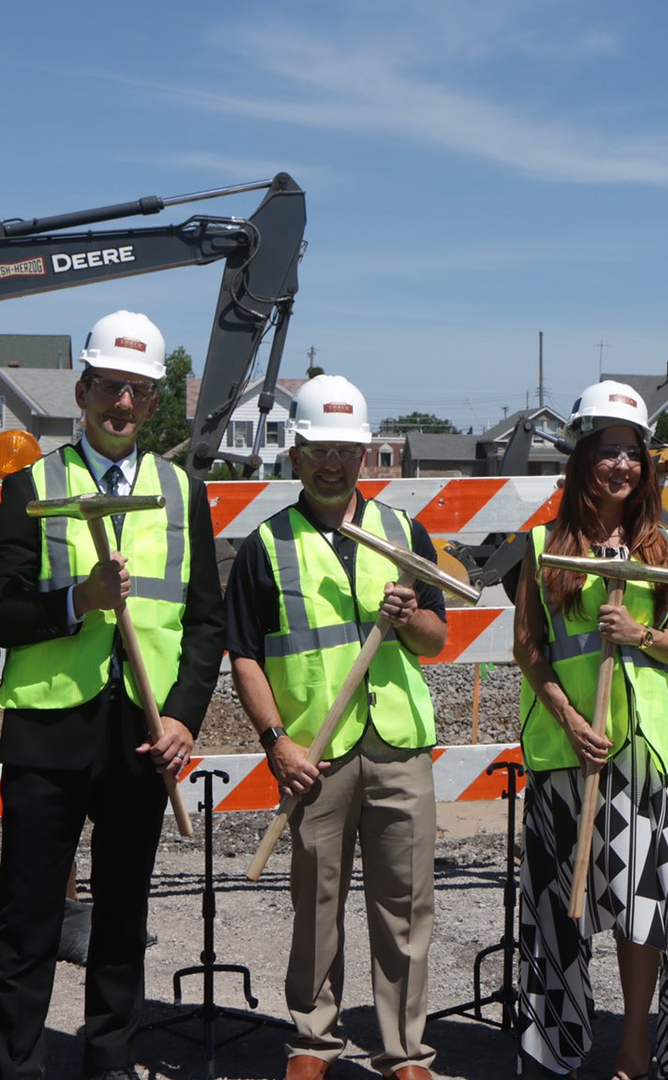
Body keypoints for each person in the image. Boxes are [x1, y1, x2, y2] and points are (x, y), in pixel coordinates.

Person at [0, 310, 225, 1080]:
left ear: (154, 403)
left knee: (123, 917)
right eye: (111, 387)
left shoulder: (182, 492)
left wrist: (184, 715)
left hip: (143, 734)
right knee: (28, 920)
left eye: (140, 392)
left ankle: (109, 1063)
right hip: (49, 732)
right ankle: (18, 1068)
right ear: (82, 391)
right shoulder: (33, 485)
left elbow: (205, 622)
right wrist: (74, 603)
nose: (124, 404)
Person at [226, 374, 445, 1080]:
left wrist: (411, 619)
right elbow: (246, 656)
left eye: (346, 451)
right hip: (313, 754)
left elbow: (438, 637)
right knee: (316, 902)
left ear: (364, 455)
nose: (332, 463)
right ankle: (313, 1042)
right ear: (296, 454)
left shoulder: (402, 532)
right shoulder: (267, 545)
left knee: (405, 905)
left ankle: (404, 1052)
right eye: (319, 449)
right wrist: (274, 742)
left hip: (397, 743)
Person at [513, 380, 668, 1080]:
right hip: (569, 753)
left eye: (632, 453)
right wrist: (572, 721)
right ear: (582, 461)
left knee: (643, 911)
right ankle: (557, 1043)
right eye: (607, 452)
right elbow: (529, 650)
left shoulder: (663, 545)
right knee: (564, 909)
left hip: (639, 761)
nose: (622, 466)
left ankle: (636, 1045)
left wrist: (639, 632)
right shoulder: (544, 544)